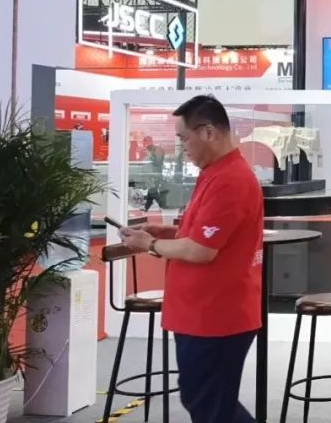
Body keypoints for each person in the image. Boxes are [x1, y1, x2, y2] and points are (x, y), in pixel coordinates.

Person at [120, 95, 263, 423]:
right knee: (207, 401)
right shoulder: (214, 174)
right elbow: (205, 234)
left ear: (209, 132)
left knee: (210, 405)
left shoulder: (230, 180)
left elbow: (201, 250)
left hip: (216, 316)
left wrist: (150, 244)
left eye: (184, 139)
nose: (182, 147)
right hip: (203, 313)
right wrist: (168, 232)